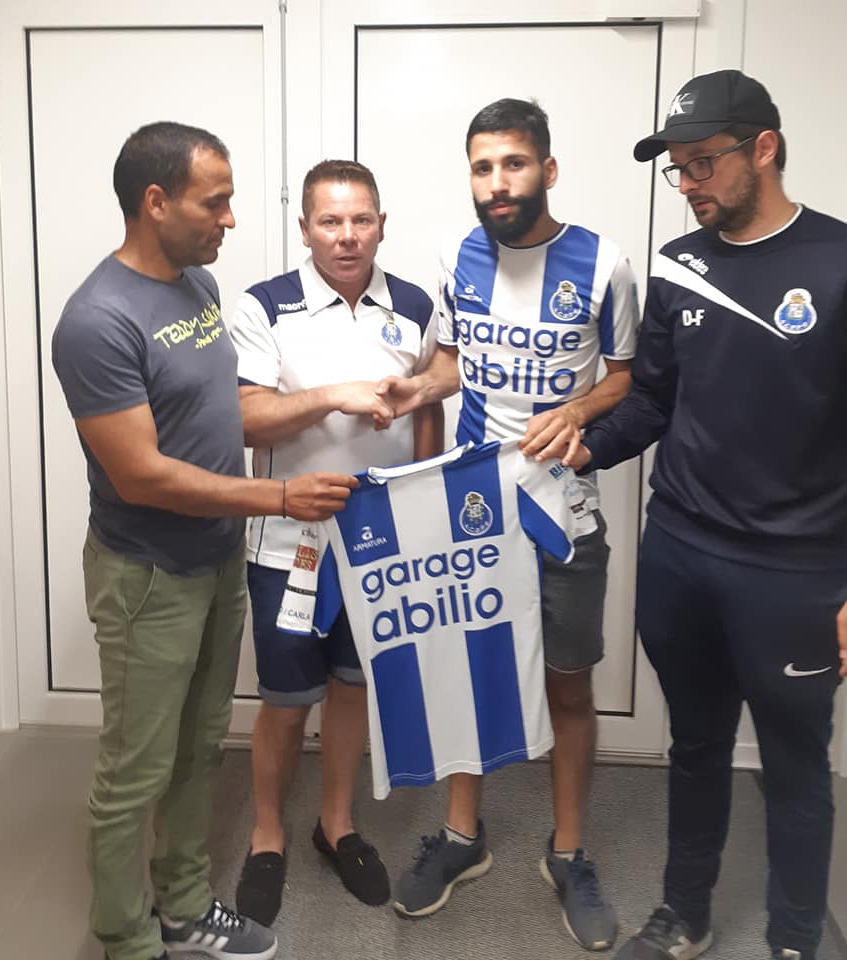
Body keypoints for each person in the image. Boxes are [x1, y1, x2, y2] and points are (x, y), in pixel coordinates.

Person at [52, 122, 357, 960]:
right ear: (156, 203)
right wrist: (279, 496)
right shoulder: (97, 320)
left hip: (216, 560)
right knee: (135, 769)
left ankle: (184, 905)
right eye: (214, 202)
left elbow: (219, 413)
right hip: (147, 577)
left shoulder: (197, 287)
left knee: (198, 750)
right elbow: (141, 476)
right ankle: (126, 938)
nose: (230, 219)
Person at [566, 70, 847, 960]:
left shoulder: (837, 262)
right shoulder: (678, 262)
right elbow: (653, 400)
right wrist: (585, 447)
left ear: (764, 149)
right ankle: (684, 912)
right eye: (676, 168)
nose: (687, 184)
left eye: (702, 163)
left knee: (795, 764)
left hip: (796, 573)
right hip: (681, 553)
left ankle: (795, 938)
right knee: (695, 744)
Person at [377, 98, 638, 951]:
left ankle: (568, 854)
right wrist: (416, 389)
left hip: (564, 510)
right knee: (469, 671)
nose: (497, 182)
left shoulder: (604, 264)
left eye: (514, 163)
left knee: (568, 684)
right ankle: (463, 837)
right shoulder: (457, 256)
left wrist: (578, 409)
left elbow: (625, 375)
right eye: (483, 167)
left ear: (547, 170)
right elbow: (455, 364)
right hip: (473, 513)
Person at [228, 159, 443, 926]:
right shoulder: (266, 306)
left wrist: (421, 499)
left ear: (381, 225)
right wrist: (332, 397)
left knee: (355, 688)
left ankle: (336, 824)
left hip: (379, 546)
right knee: (287, 703)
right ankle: (266, 836)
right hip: (288, 544)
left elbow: (428, 404)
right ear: (306, 229)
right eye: (330, 221)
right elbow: (247, 418)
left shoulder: (414, 305)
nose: (346, 236)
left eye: (360, 220)